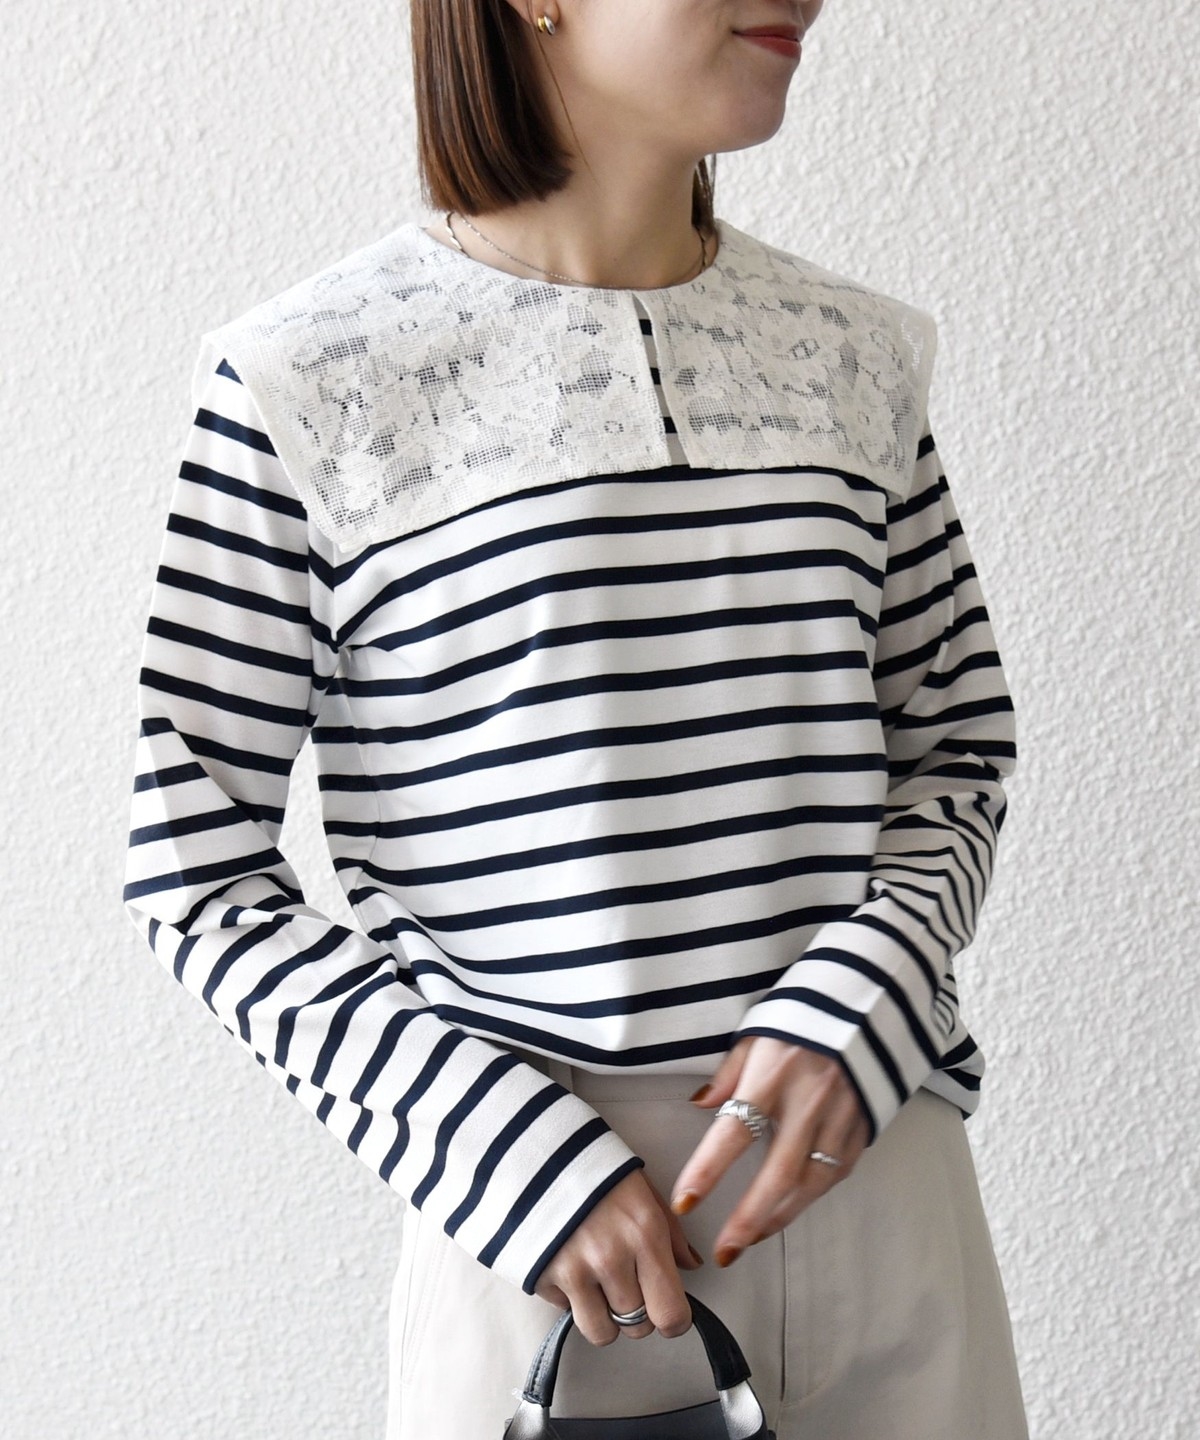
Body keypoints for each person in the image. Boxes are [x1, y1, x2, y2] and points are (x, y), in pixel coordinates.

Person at [122, 1, 1029, 1435]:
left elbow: (957, 752)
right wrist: (502, 1152)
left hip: (881, 1184)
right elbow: (192, 867)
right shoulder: (309, 378)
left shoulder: (856, 353)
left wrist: (872, 987)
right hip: (557, 1253)